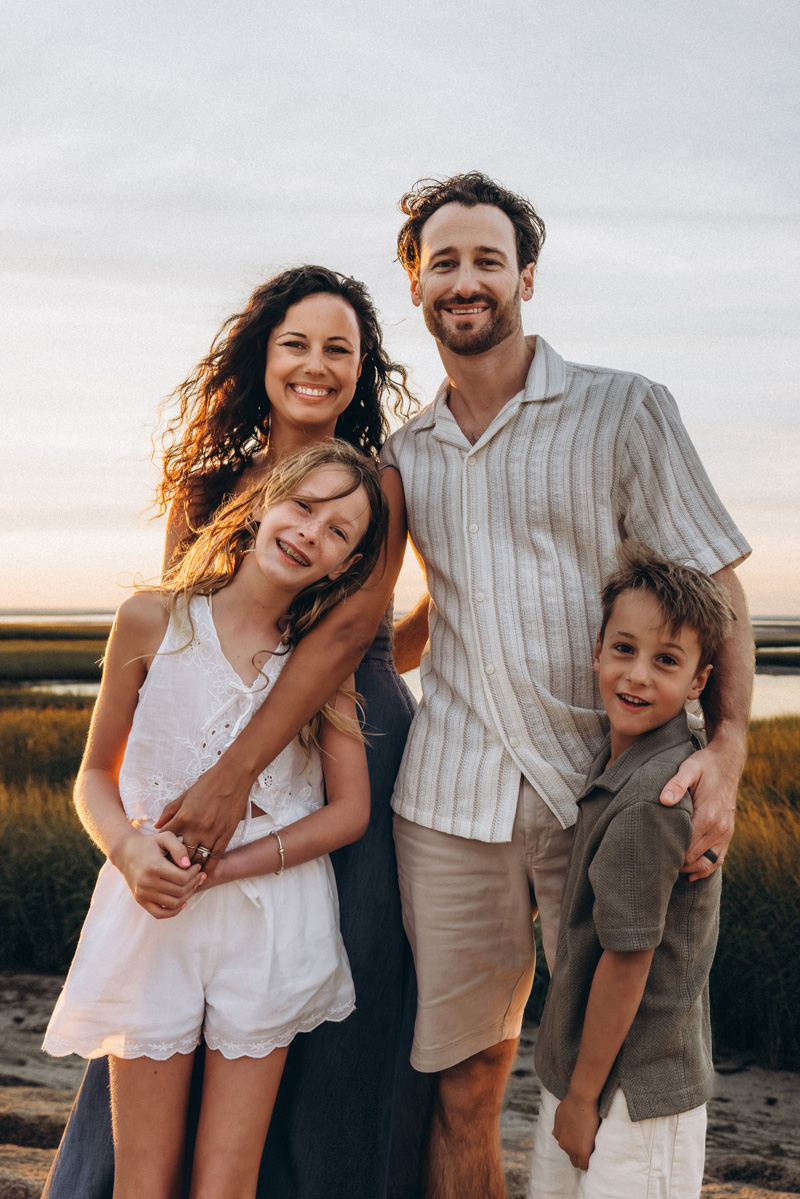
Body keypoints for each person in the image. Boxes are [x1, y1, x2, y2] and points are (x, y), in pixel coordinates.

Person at [382, 172, 754, 1199]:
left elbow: (714, 584)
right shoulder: (404, 452)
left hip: (599, 793)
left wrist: (723, 747)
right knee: (462, 1085)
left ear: (525, 277)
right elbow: (436, 602)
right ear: (414, 280)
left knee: (615, 1078)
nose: (465, 280)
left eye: (486, 259)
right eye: (443, 260)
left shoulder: (623, 407)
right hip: (447, 803)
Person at [42, 267, 430, 1199]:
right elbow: (186, 641)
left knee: (345, 992)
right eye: (296, 341)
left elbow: (345, 631)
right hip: (202, 768)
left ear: (362, 368)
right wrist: (154, 821)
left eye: (340, 348)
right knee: (163, 994)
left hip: (349, 738)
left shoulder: (379, 482)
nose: (315, 364)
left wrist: (239, 771)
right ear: (262, 354)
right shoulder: (209, 482)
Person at [528, 544, 735, 1199]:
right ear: (597, 650)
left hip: (633, 1097)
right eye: (624, 649)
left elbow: (628, 959)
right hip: (588, 1078)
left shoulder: (655, 795)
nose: (638, 676)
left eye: (666, 660)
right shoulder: (620, 764)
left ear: (699, 681)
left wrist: (583, 1097)